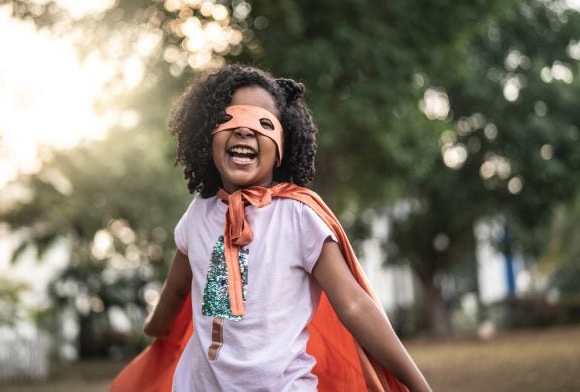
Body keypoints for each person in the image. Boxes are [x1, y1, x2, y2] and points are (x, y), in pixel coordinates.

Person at [110, 64, 431, 392]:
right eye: (230, 118)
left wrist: (418, 385)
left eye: (264, 124)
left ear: (282, 147)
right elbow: (178, 288)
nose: (245, 131)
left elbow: (353, 304)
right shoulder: (199, 214)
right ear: (206, 133)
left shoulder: (298, 216)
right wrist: (156, 326)